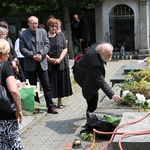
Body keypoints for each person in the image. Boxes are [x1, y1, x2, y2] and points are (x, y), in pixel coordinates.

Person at [19, 16, 58, 114]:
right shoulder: (23, 34)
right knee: (33, 86)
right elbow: (22, 49)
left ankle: (50, 106)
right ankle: (35, 106)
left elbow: (47, 45)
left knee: (46, 85)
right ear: (28, 24)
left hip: (42, 62)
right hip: (30, 62)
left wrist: (41, 54)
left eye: (36, 23)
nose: (34, 25)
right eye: (32, 23)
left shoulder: (43, 32)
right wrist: (32, 55)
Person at [72, 42, 122, 114]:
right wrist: (112, 95)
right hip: (81, 73)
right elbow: (100, 81)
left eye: (111, 53)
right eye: (108, 55)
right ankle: (90, 114)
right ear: (101, 54)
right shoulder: (96, 64)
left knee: (94, 89)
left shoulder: (99, 46)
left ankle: (90, 112)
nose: (111, 56)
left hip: (87, 67)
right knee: (91, 93)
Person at [0, 38, 23, 149]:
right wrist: (19, 109)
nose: (9, 55)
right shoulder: (5, 66)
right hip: (5, 111)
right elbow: (13, 90)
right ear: (3, 53)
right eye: (8, 53)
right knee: (13, 142)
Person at [46, 17, 73, 108]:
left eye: (55, 26)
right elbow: (42, 50)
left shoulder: (61, 35)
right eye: (52, 26)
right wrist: (49, 59)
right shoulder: (45, 37)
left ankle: (60, 102)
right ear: (48, 26)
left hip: (61, 62)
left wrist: (60, 59)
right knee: (50, 82)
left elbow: (65, 48)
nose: (54, 28)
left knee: (60, 82)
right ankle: (50, 103)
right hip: (49, 62)